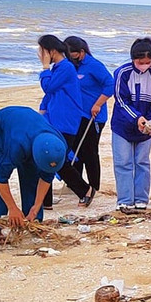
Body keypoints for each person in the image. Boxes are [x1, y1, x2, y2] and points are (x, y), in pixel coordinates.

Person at [0, 106, 67, 242]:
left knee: (32, 175)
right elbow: (1, 179)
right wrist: (13, 208)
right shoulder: (16, 147)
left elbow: (46, 177)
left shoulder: (58, 145)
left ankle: (33, 220)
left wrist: (36, 206)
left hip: (31, 132)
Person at [111, 37, 151, 212]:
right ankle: (125, 200)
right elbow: (121, 100)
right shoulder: (122, 72)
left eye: (147, 62)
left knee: (142, 162)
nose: (144, 65)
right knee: (123, 162)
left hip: (145, 127)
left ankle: (141, 199)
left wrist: (150, 122)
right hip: (122, 126)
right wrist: (137, 118)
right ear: (133, 58)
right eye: (140, 62)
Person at [36, 34, 88, 208]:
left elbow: (48, 87)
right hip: (55, 119)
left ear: (51, 51)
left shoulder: (65, 67)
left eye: (42, 51)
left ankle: (85, 191)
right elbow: (50, 93)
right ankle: (46, 201)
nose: (39, 54)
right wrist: (42, 109)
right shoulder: (59, 68)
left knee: (57, 160)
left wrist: (44, 67)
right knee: (48, 158)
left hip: (65, 121)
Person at [64, 36, 115, 206]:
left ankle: (94, 186)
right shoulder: (71, 65)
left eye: (72, 54)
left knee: (90, 152)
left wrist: (98, 104)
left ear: (81, 52)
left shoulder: (94, 65)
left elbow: (110, 85)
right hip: (76, 115)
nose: (70, 57)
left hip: (94, 115)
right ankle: (77, 184)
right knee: (75, 150)